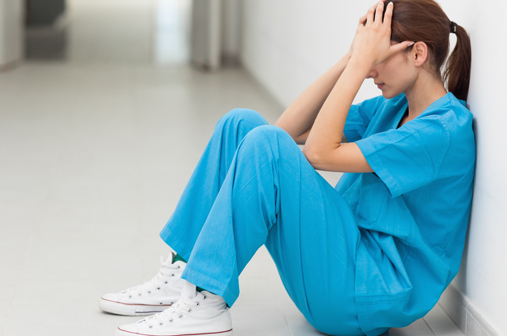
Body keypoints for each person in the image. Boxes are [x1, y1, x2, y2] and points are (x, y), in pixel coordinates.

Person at [99, 0, 475, 335]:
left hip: (364, 294)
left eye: (377, 58)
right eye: (367, 58)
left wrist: (359, 62)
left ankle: (206, 300)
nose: (370, 71)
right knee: (241, 124)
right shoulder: (393, 108)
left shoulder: (443, 131)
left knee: (266, 144)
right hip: (341, 262)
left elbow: (317, 153)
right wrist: (349, 58)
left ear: (418, 53)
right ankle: (185, 273)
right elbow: (286, 129)